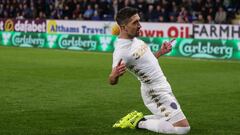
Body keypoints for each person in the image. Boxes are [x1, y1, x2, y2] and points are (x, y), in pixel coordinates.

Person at [108, 7, 190, 134]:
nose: (139, 25)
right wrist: (115, 75)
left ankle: (139, 118)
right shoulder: (121, 51)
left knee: (169, 119)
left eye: (139, 21)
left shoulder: (134, 39)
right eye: (135, 23)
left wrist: (161, 52)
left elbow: (146, 62)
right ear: (124, 27)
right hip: (154, 91)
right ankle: (140, 123)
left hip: (162, 84)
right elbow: (111, 80)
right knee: (182, 128)